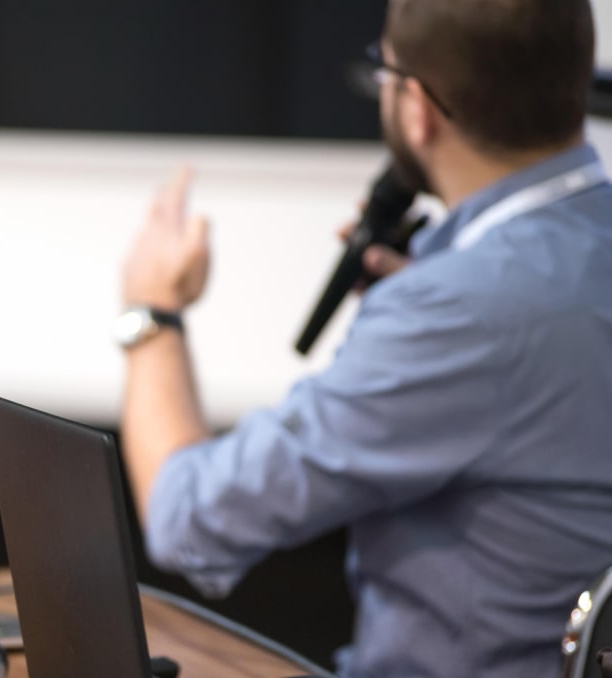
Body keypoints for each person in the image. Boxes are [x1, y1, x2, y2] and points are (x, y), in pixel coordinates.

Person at [116, 0, 612, 676]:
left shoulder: (450, 312)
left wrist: (153, 312)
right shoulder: (482, 293)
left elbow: (189, 518)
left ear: (418, 108)